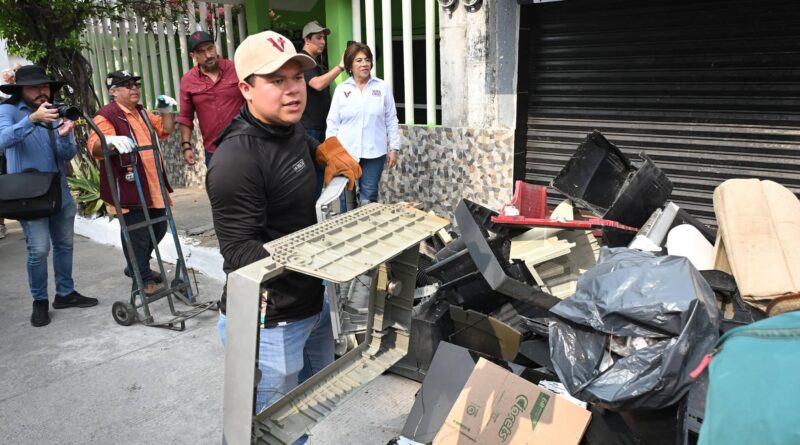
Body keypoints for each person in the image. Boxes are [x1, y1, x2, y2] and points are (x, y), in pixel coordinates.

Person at [206, 30, 361, 437]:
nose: (293, 89)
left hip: (312, 304)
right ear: (246, 89)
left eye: (296, 77)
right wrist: (319, 253)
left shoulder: (289, 129)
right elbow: (240, 252)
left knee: (303, 418)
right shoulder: (236, 160)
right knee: (269, 433)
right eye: (276, 80)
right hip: (270, 323)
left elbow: (298, 150)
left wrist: (321, 151)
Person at [0, 65, 97, 327]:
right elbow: (2, 140)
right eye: (34, 87)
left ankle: (65, 293)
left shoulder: (55, 111)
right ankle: (40, 301)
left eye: (45, 86)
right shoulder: (7, 111)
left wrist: (65, 137)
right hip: (28, 197)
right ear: (21, 90)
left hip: (59, 192)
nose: (41, 91)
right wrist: (32, 119)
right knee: (39, 250)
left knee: (65, 245)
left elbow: (66, 154)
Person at [88, 70, 177, 296]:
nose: (134, 89)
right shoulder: (105, 116)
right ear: (113, 91)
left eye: (136, 84)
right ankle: (143, 279)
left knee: (159, 228)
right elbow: (95, 148)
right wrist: (108, 141)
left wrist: (166, 111)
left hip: (152, 183)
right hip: (129, 185)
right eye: (127, 85)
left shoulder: (142, 112)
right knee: (137, 233)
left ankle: (137, 267)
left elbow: (165, 130)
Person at [326, 43, 400, 205]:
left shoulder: (382, 87)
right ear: (350, 65)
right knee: (346, 196)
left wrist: (394, 148)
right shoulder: (341, 89)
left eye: (367, 60)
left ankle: (366, 220)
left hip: (374, 152)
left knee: (369, 196)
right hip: (345, 152)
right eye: (359, 60)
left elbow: (391, 119)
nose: (364, 64)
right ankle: (348, 221)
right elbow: (332, 122)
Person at [177, 31, 244, 167]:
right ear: (193, 56)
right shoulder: (188, 80)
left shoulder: (236, 69)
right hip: (214, 151)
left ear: (215, 47)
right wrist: (186, 146)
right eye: (201, 52)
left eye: (210, 48)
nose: (208, 55)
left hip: (244, 145)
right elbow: (185, 116)